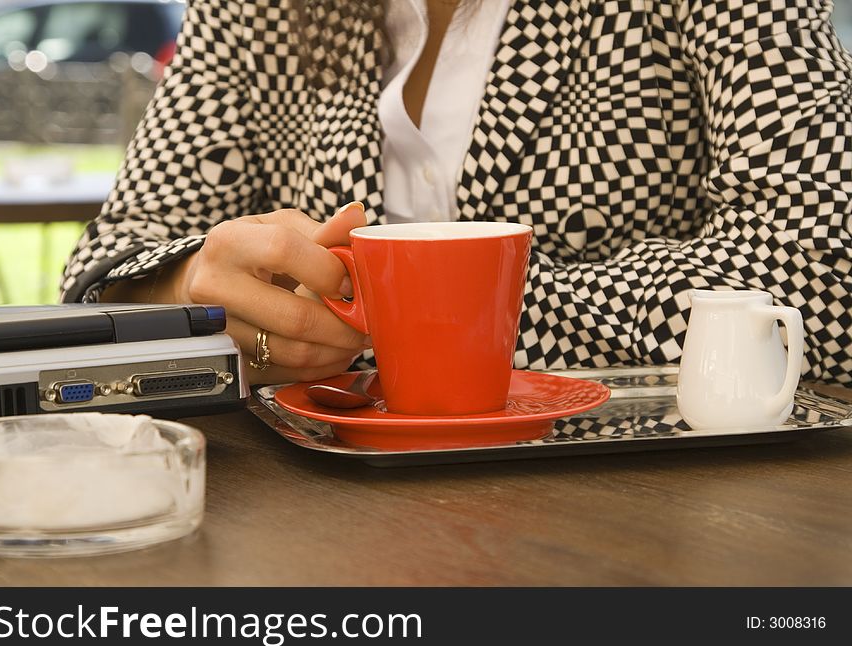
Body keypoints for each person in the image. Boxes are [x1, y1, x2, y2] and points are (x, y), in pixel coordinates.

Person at [60, 0, 852, 386]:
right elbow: (103, 267)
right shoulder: (258, 11)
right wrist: (191, 286)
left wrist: (412, 322)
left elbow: (824, 266)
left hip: (635, 528)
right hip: (310, 524)